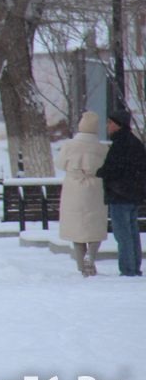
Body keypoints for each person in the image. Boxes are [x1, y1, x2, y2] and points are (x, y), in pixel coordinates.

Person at [56, 111, 108, 276]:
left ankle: (81, 266)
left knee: (76, 227)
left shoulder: (69, 146)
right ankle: (90, 257)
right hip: (95, 188)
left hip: (74, 188)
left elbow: (60, 164)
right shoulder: (101, 147)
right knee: (95, 226)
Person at [95, 108, 145, 277]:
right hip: (133, 195)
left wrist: (100, 172)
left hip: (120, 195)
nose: (107, 126)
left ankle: (128, 269)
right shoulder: (134, 143)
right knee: (132, 233)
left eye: (110, 122)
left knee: (123, 234)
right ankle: (134, 266)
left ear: (118, 125)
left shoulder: (120, 144)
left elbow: (113, 169)